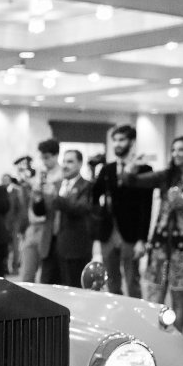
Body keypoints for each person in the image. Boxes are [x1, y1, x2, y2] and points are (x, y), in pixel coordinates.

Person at [123, 136, 183, 332]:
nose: (176, 154)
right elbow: (131, 181)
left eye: (181, 150)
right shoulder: (166, 176)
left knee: (179, 295)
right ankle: (155, 337)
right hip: (161, 246)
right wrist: (131, 167)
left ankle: (177, 339)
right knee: (155, 294)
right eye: (173, 150)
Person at [92, 124, 154, 297]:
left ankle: (135, 313)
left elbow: (146, 207)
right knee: (111, 280)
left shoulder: (144, 170)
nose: (117, 144)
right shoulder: (107, 169)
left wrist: (142, 239)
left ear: (132, 142)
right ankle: (115, 312)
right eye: (115, 140)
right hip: (108, 232)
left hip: (131, 233)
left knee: (132, 280)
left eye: (122, 140)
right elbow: (94, 196)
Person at [32, 150, 94, 288]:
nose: (65, 165)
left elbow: (79, 209)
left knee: (71, 289)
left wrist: (56, 197)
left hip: (73, 249)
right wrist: (38, 197)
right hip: (50, 246)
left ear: (80, 164)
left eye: (70, 161)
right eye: (64, 161)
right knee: (47, 290)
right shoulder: (56, 184)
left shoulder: (88, 186)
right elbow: (40, 211)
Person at [27, 139, 61, 283]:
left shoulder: (62, 177)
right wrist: (36, 193)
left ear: (56, 155)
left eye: (47, 157)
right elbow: (35, 205)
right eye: (42, 158)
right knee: (27, 274)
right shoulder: (40, 175)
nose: (44, 161)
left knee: (47, 276)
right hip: (34, 226)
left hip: (49, 228)